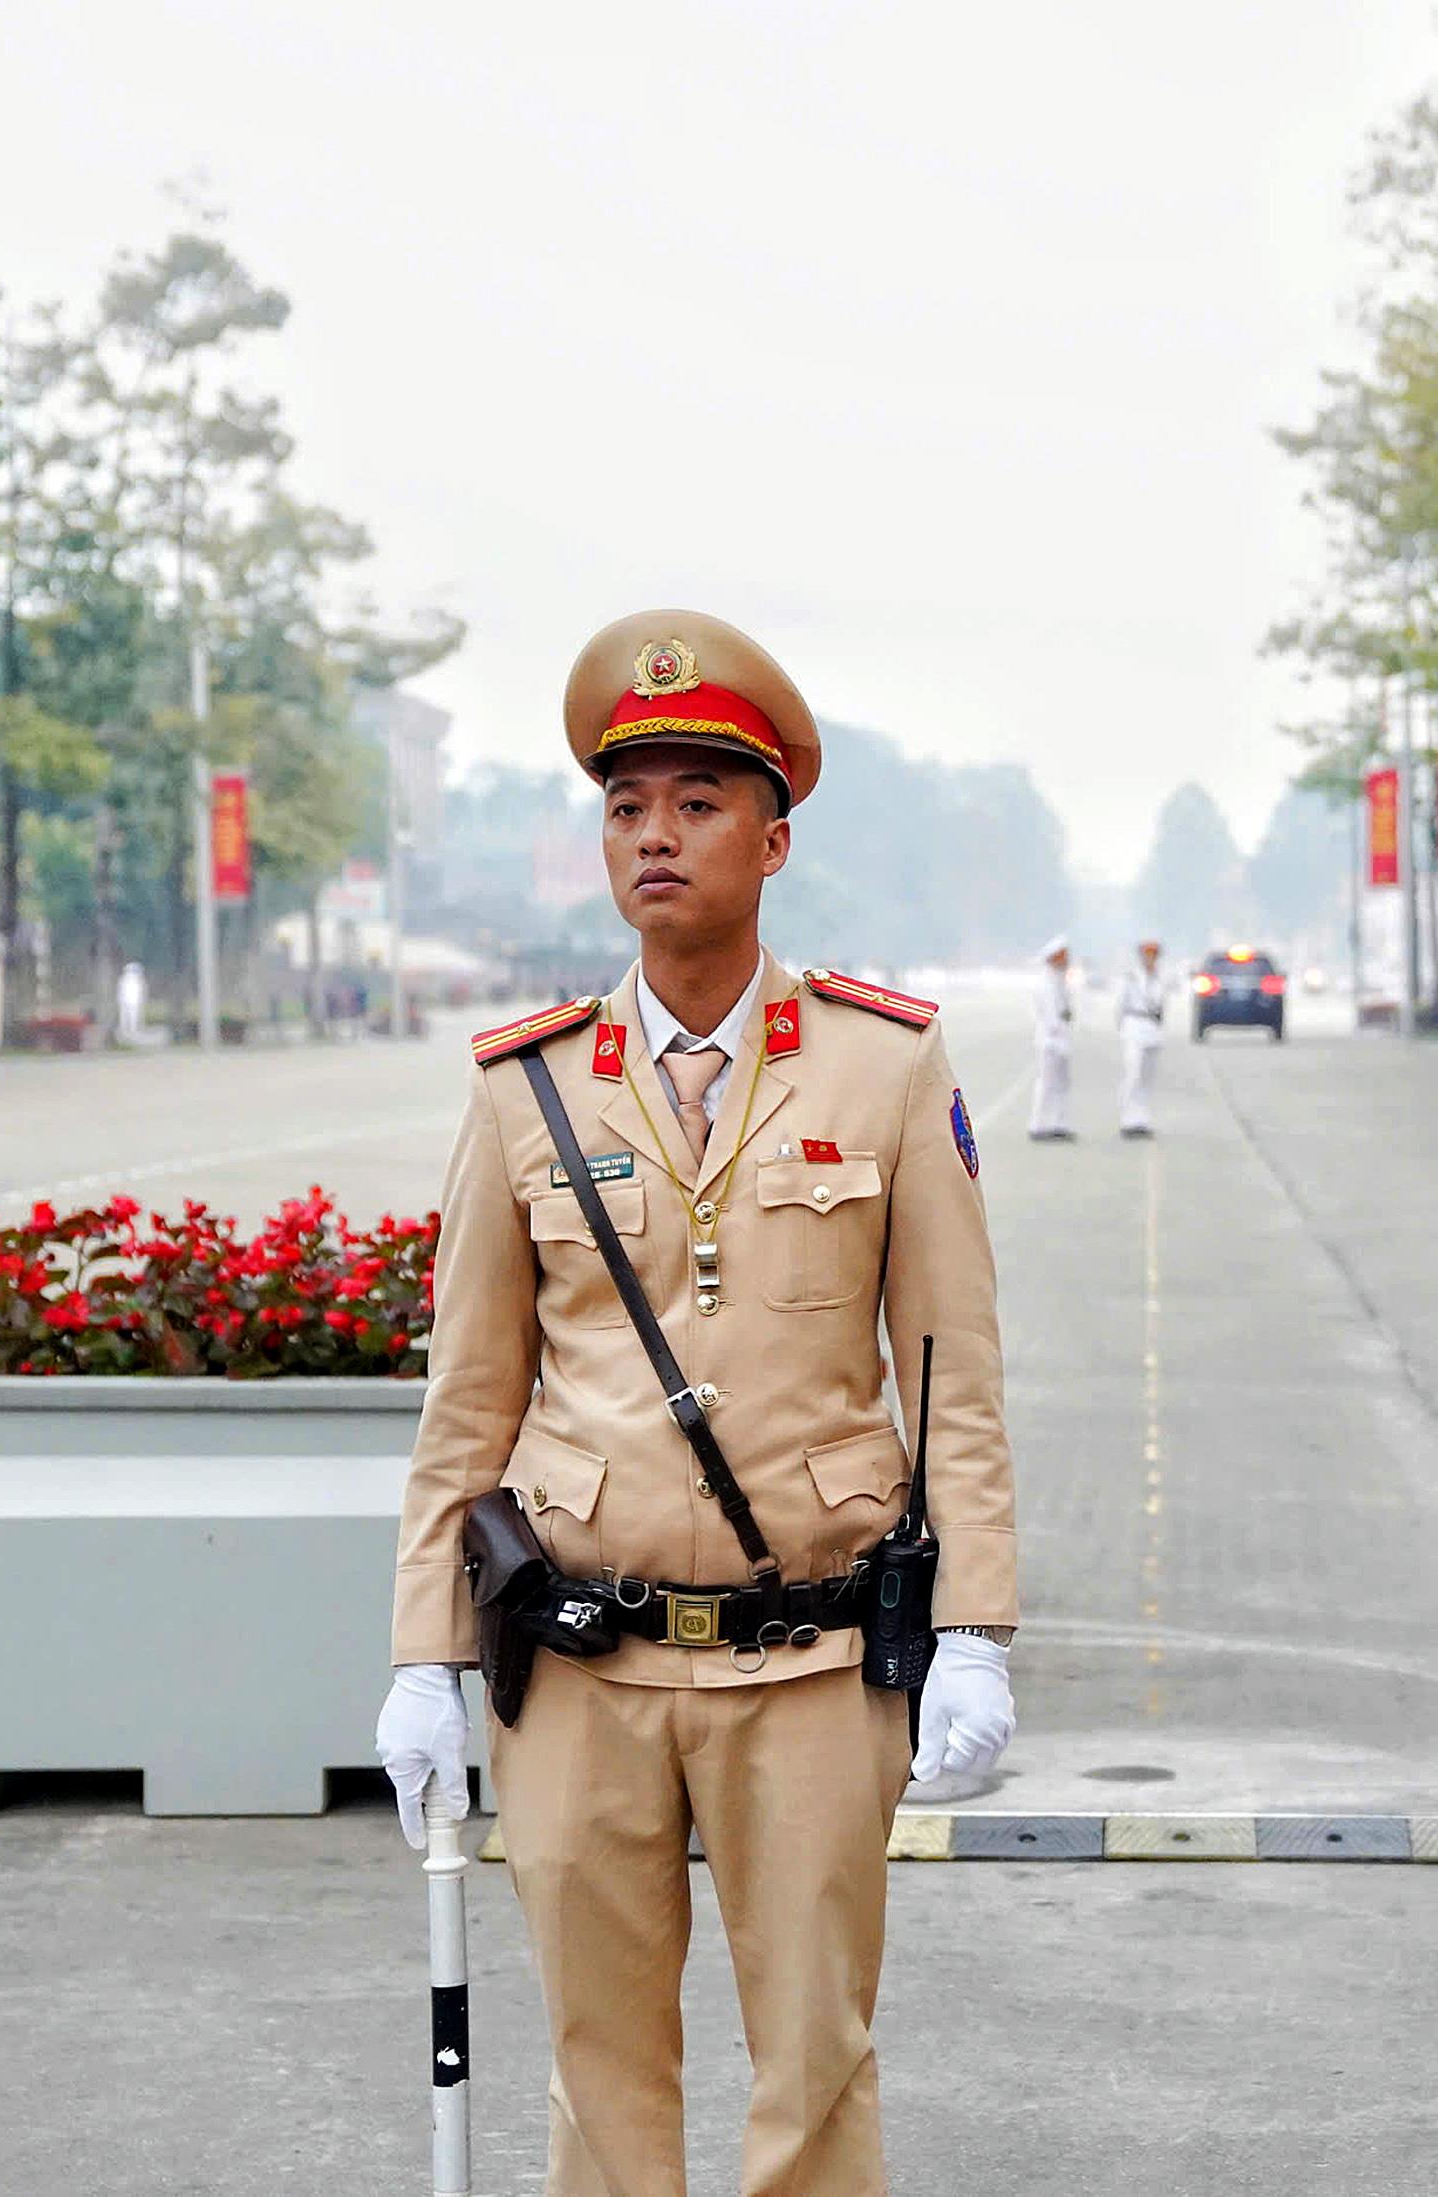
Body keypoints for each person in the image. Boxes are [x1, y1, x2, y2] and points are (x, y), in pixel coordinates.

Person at [374, 609, 1021, 2197]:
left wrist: (982, 1633)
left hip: (808, 1661)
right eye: (626, 805)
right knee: (602, 2076)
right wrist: (421, 1656)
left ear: (776, 836)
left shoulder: (886, 1066)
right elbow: (469, 1404)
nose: (655, 836)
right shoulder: (524, 1085)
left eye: (698, 802)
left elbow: (954, 1378)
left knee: (814, 2066)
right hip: (582, 1668)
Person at [1117, 937, 1167, 1137]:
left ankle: (1142, 1120)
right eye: (1147, 954)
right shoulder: (1131, 978)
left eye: (1154, 954)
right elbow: (1120, 1007)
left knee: (1147, 1078)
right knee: (1133, 1075)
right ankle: (1128, 1120)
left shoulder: (1160, 978)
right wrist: (1124, 1030)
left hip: (1152, 1030)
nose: (1151, 958)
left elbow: (1161, 1006)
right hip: (1135, 1027)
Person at [1030, 935, 1075, 1140]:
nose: (1066, 960)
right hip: (1050, 1040)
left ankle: (1058, 1123)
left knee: (1062, 1083)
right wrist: (1059, 1029)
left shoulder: (1059, 979)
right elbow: (1050, 1016)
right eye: (1063, 956)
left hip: (1061, 1039)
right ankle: (1039, 1124)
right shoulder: (1045, 982)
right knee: (1047, 1083)